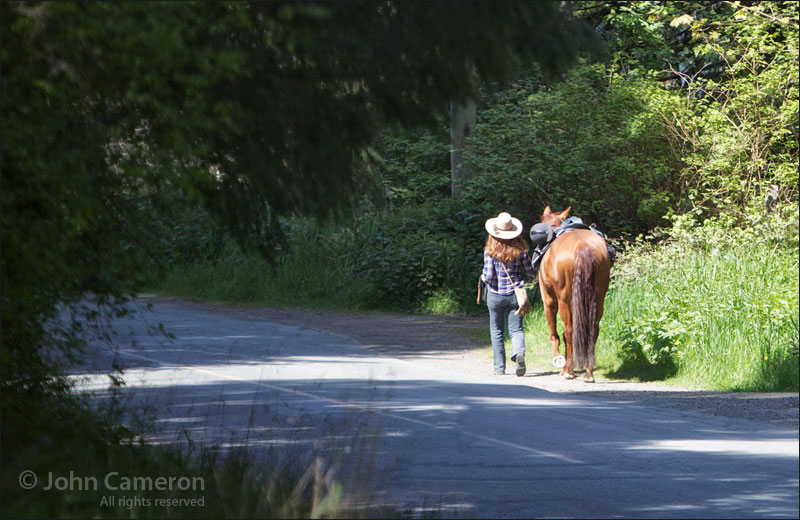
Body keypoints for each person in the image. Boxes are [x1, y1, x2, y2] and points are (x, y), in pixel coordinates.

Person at [481, 211, 536, 376]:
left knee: (497, 330)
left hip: (495, 295)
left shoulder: (490, 251)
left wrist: (483, 277)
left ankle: (499, 368)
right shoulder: (521, 251)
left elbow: (488, 276)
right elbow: (530, 271)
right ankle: (519, 353)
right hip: (515, 295)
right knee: (516, 329)